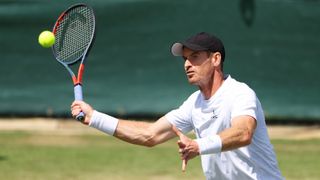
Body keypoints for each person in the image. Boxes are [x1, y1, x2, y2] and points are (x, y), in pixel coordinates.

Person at [71, 32, 284, 180]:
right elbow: (150, 135)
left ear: (216, 59)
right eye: (185, 58)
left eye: (195, 57)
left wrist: (199, 146)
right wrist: (94, 118)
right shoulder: (194, 104)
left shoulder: (240, 93)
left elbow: (243, 133)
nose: (187, 64)